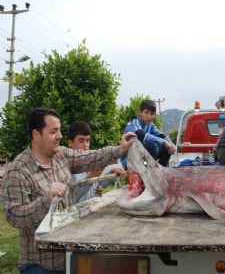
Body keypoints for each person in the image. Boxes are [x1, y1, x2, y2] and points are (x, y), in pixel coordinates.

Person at [0, 107, 135, 274]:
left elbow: (90, 157)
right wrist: (46, 201)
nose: (60, 136)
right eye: (54, 131)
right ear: (36, 135)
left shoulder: (61, 155)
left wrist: (119, 149)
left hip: (71, 254)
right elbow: (14, 216)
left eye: (60, 130)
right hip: (41, 264)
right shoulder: (18, 172)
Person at [67, 121, 125, 203]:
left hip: (94, 210)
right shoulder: (67, 167)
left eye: (87, 141)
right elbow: (72, 198)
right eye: (81, 141)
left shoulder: (91, 161)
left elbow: (97, 187)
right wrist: (90, 177)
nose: (85, 145)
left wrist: (111, 174)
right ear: (70, 143)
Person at [121, 100, 176, 168]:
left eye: (152, 114)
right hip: (129, 161)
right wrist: (163, 141)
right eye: (146, 112)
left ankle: (160, 172)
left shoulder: (150, 125)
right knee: (153, 145)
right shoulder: (134, 124)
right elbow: (141, 135)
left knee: (167, 148)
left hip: (140, 159)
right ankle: (145, 170)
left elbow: (161, 135)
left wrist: (171, 144)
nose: (149, 116)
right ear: (140, 112)